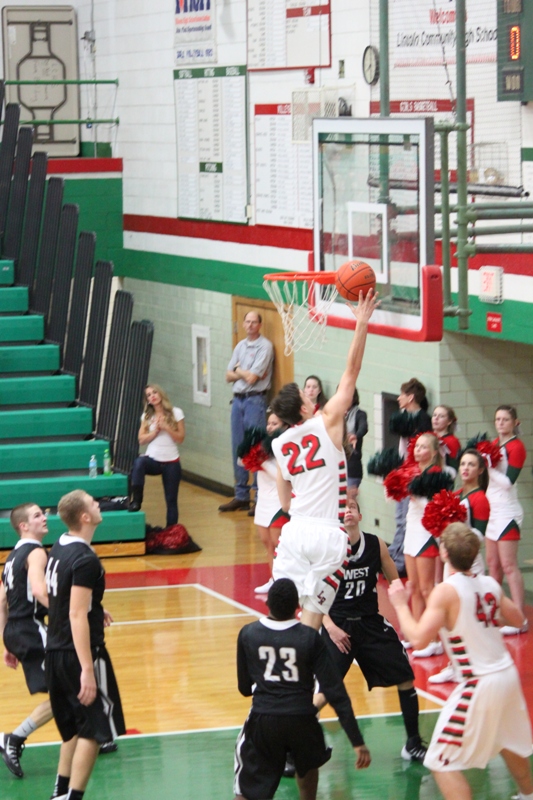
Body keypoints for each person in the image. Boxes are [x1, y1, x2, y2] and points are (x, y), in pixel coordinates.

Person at [389, 523, 533, 800]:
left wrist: (399, 605)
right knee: (508, 741)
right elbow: (517, 619)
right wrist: (485, 619)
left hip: (479, 683)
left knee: (440, 761)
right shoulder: (489, 583)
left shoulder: (446, 591)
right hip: (506, 675)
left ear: (443, 552)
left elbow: (418, 639)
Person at [270, 290, 378, 631]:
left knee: (282, 610)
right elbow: (352, 370)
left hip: (295, 530)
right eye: (305, 394)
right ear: (304, 406)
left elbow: (284, 501)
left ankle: (276, 660)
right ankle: (307, 658)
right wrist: (361, 323)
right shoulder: (328, 420)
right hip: (328, 533)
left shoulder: (280, 443)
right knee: (311, 620)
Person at [234, 578, 370, 800]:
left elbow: (244, 688)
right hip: (303, 719)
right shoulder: (309, 638)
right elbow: (335, 691)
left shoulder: (248, 633)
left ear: (267, 602)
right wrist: (357, 740)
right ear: (298, 606)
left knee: (246, 790)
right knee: (308, 772)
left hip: (264, 719)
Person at [313, 496, 427, 762]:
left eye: (352, 507)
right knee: (325, 693)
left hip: (369, 622)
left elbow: (395, 582)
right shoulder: (327, 549)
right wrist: (329, 627)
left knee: (405, 675)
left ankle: (412, 743)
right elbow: (312, 597)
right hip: (337, 625)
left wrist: (405, 598)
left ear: (359, 516)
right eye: (342, 508)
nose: (347, 511)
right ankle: (293, 746)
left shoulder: (376, 545)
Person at [45, 490, 125, 800]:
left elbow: (64, 597)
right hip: (80, 653)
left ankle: (59, 792)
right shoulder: (86, 559)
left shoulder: (60, 546)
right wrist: (87, 669)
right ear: (84, 517)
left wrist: (94, 607)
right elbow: (76, 613)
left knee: (74, 730)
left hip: (55, 650)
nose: (99, 505)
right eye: (93, 503)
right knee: (95, 730)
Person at [429, 449, 491, 685]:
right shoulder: (455, 494)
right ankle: (454, 665)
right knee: (451, 617)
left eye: (471, 465)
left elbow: (480, 537)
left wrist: (457, 527)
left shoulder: (480, 498)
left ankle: (470, 665)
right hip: (451, 561)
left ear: (480, 470)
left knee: (466, 617)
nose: (465, 468)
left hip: (469, 563)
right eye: (463, 464)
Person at [0, 503, 52, 777]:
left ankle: (95, 736)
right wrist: (70, 614)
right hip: (32, 629)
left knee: (72, 684)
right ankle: (14, 737)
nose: (44, 517)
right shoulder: (36, 552)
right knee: (68, 690)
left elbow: (1, 601)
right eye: (37, 515)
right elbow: (40, 591)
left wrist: (7, 641)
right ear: (23, 526)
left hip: (16, 630)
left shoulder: (11, 558)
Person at [403, 432, 453, 657]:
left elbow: (436, 507)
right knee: (413, 586)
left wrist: (418, 497)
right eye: (417, 446)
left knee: (426, 588)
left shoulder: (436, 474)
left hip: (426, 533)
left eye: (424, 447)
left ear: (434, 453)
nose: (418, 450)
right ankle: (418, 637)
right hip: (411, 530)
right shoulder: (412, 471)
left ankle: (435, 639)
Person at [219, 311, 274, 513]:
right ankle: (241, 495)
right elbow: (227, 376)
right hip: (238, 400)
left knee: (256, 447)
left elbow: (252, 379)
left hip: (255, 400)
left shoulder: (265, 346)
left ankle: (259, 496)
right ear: (243, 324)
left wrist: (239, 370)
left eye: (254, 322)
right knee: (238, 447)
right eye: (247, 322)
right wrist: (243, 372)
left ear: (259, 325)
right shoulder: (240, 346)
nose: (250, 325)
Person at [485, 405, 527, 634]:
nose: (500, 423)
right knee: (493, 564)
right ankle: (497, 612)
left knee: (509, 565)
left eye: (505, 419)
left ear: (514, 423)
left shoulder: (516, 446)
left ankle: (520, 618)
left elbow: (508, 482)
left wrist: (488, 468)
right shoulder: (493, 444)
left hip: (507, 512)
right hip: (491, 509)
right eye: (498, 419)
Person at [387, 378, 432, 575]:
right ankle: (394, 556)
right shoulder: (403, 417)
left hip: (413, 474)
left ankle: (399, 561)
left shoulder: (422, 420)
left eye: (402, 394)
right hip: (403, 471)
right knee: (399, 516)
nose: (398, 398)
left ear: (411, 397)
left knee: (406, 517)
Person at [129, 384, 185, 527]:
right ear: (147, 400)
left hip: (171, 461)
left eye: (154, 392)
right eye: (149, 395)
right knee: (139, 463)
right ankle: (137, 500)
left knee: (171, 500)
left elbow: (180, 438)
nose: (152, 396)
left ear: (160, 394)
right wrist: (155, 432)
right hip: (153, 459)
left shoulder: (176, 412)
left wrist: (166, 427)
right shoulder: (147, 416)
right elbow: (141, 439)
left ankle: (171, 530)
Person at [251, 411, 288, 594]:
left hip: (277, 502)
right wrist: (248, 454)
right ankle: (273, 579)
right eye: (269, 423)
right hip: (263, 501)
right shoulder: (262, 445)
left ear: (284, 426)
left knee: (278, 544)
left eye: (275, 424)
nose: (270, 427)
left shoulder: (285, 448)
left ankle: (284, 582)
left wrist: (263, 463)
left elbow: (282, 477)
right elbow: (242, 463)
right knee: (267, 543)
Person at [345, 388, 368, 489]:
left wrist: (356, 435)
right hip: (335, 467)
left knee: (348, 497)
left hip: (352, 468)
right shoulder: (336, 414)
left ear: (353, 398)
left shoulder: (360, 414)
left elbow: (363, 427)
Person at [431, 405, 461, 479]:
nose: (436, 418)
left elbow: (454, 469)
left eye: (441, 416)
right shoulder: (427, 437)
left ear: (449, 421)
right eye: (434, 415)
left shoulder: (452, 441)